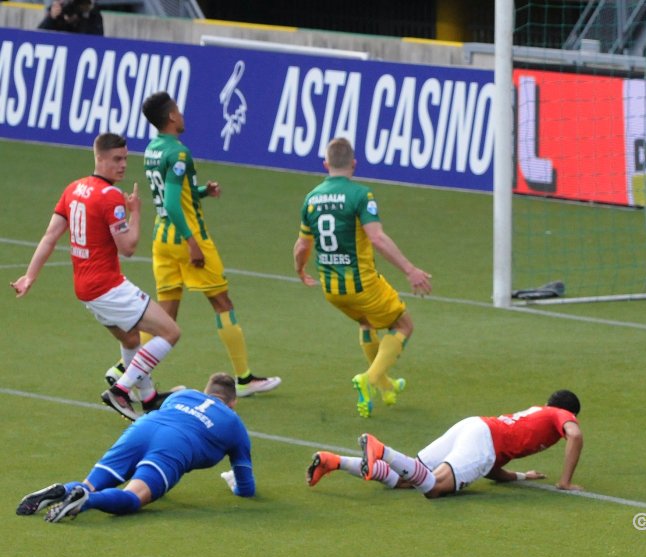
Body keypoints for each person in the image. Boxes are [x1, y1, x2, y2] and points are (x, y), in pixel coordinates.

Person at [104, 91, 280, 398]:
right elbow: (172, 201)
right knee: (222, 303)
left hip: (162, 240)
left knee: (165, 315)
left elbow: (169, 192)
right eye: (178, 111)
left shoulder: (153, 149)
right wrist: (192, 243)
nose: (182, 115)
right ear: (172, 116)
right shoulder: (179, 153)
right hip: (187, 238)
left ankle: (122, 368)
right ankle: (244, 378)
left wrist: (200, 191)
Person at [10, 133, 180, 422]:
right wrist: (136, 212)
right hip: (108, 286)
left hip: (85, 288)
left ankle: (148, 397)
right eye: (117, 159)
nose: (123, 165)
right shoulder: (111, 196)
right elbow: (128, 248)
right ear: (99, 158)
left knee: (130, 339)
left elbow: (50, 236)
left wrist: (30, 276)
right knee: (171, 332)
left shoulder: (74, 188)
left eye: (125, 158)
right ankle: (122, 390)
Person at [293, 137, 432, 418]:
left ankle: (385, 386)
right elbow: (377, 238)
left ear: (326, 164)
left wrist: (300, 269)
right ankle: (369, 379)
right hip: (362, 283)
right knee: (403, 325)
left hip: (331, 288)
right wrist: (410, 270)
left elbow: (302, 246)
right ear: (354, 164)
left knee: (367, 323)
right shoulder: (360, 195)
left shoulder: (311, 198)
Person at [16, 372, 255, 523]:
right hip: (175, 445)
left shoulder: (184, 396)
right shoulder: (234, 423)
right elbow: (246, 487)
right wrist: (235, 484)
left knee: (89, 483)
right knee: (133, 497)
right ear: (232, 402)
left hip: (143, 428)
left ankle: (66, 490)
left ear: (206, 391)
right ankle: (87, 501)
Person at [306, 389, 584, 497]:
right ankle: (382, 450)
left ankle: (335, 462)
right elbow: (575, 435)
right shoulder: (558, 413)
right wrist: (565, 481)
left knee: (407, 478)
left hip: (474, 427)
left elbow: (490, 469)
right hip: (484, 440)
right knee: (434, 488)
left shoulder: (531, 420)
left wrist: (521, 476)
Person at [37, 0, 104, 36]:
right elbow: (37, 36)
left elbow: (97, 41)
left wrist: (85, 15)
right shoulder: (59, 12)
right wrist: (51, 18)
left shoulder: (92, 14)